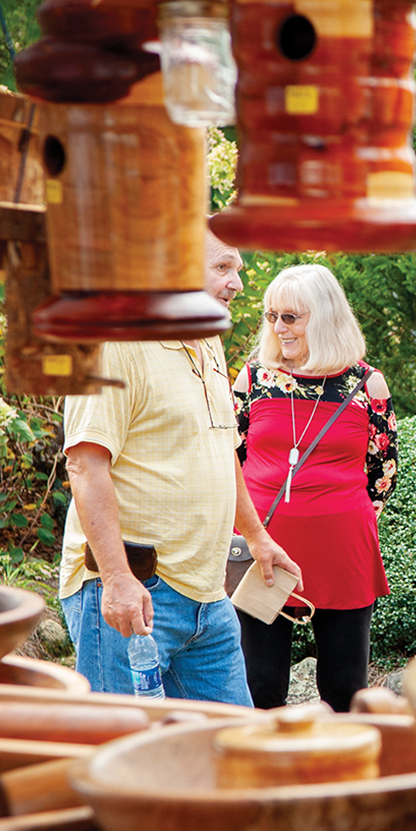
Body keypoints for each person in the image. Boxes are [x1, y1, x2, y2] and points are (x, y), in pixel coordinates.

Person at [58, 232, 299, 705]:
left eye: (239, 271)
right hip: (137, 591)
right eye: (224, 268)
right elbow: (85, 465)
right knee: (126, 755)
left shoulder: (207, 339)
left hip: (208, 595)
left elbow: (221, 446)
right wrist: (117, 579)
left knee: (232, 750)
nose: (238, 284)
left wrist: (256, 536)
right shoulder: (113, 343)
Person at [232, 264, 396, 711]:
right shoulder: (254, 380)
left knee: (345, 687)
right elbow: (230, 458)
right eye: (272, 316)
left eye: (291, 317)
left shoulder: (366, 384)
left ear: (324, 316)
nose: (278, 328)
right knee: (259, 684)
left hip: (341, 549)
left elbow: (382, 472)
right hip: (262, 547)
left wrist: (333, 513)